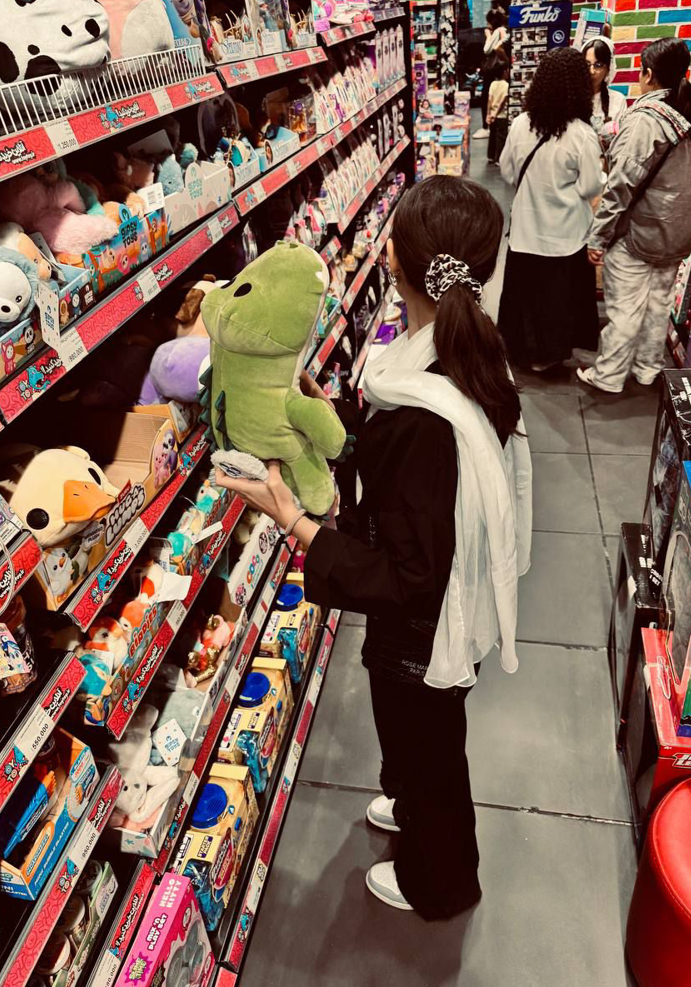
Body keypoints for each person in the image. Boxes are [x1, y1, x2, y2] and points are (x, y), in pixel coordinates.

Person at [214, 175, 532, 920]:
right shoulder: (460, 352)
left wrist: (295, 520)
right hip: (438, 613)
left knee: (429, 748)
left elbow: (407, 576)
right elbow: (408, 484)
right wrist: (335, 418)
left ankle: (441, 880)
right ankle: (411, 799)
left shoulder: (429, 418)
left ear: (396, 262)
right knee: (416, 741)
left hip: (423, 636)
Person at [577, 38, 691, 393]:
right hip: (679, 233)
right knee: (658, 305)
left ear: (648, 74)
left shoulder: (647, 119)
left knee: (625, 308)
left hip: (641, 232)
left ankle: (609, 376)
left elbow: (620, 186)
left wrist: (598, 237)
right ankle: (648, 369)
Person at [497, 46, 604, 372]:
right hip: (566, 236)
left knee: (525, 297)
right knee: (557, 301)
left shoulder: (520, 125)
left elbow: (507, 171)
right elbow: (590, 186)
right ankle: (551, 354)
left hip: (525, 232)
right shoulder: (582, 135)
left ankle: (522, 350)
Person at [581, 36, 627, 141]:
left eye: (598, 65)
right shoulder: (571, 98)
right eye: (587, 64)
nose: (591, 71)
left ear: (608, 69)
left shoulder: (618, 100)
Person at [474, 10, 509, 140]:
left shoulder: (497, 32)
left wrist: (488, 36)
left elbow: (487, 49)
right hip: (500, 69)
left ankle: (486, 127)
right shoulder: (504, 30)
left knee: (487, 97)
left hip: (493, 70)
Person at [486, 52, 510, 164]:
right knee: (501, 137)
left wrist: (488, 114)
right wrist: (496, 114)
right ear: (504, 72)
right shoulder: (506, 85)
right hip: (501, 115)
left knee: (492, 136)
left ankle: (490, 156)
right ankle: (499, 158)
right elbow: (502, 102)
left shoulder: (493, 84)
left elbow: (489, 100)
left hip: (492, 115)